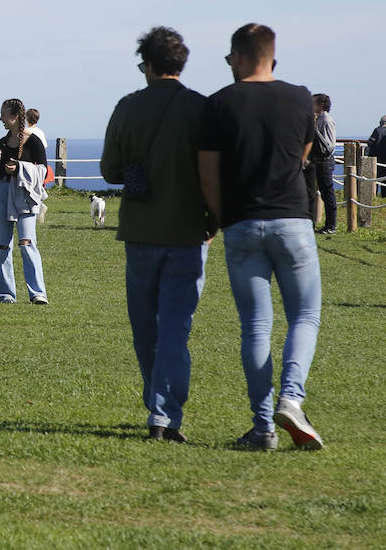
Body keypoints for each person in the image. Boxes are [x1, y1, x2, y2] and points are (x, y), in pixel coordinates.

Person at [198, 23, 324, 452]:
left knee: (255, 325)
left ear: (238, 56)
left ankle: (263, 427)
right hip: (293, 221)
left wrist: (219, 218)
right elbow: (302, 156)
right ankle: (292, 396)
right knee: (304, 317)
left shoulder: (218, 104)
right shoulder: (300, 99)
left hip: (242, 224)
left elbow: (208, 175)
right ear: (272, 55)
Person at [99, 26, 210, 443]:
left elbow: (110, 170)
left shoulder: (128, 108)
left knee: (145, 326)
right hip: (187, 231)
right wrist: (211, 221)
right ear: (181, 63)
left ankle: (157, 402)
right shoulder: (200, 108)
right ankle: (165, 413)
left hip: (141, 230)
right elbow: (214, 174)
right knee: (176, 328)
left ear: (147, 65)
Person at [0, 99, 50, 305]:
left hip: (24, 196)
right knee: (2, 246)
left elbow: (43, 171)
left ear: (14, 117)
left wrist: (20, 168)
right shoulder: (2, 142)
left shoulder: (33, 141)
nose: (0, 118)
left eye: (3, 114)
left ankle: (38, 293)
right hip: (3, 193)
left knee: (27, 243)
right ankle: (6, 294)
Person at [304, 93, 337, 235]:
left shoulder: (326, 120)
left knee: (327, 193)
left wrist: (316, 131)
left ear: (321, 105)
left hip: (325, 161)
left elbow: (330, 145)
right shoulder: (319, 119)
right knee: (320, 193)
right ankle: (322, 224)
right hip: (317, 160)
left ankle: (331, 225)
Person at [366, 115, 386, 198]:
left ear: (380, 122)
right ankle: (384, 196)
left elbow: (370, 142)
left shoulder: (377, 130)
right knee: (385, 179)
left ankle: (373, 194)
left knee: (375, 177)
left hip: (376, 157)